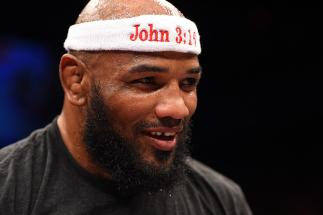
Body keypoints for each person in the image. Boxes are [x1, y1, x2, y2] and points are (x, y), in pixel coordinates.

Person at [0, 0, 253, 214]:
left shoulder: (220, 200)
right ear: (76, 80)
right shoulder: (9, 190)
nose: (179, 109)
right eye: (146, 81)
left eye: (188, 83)